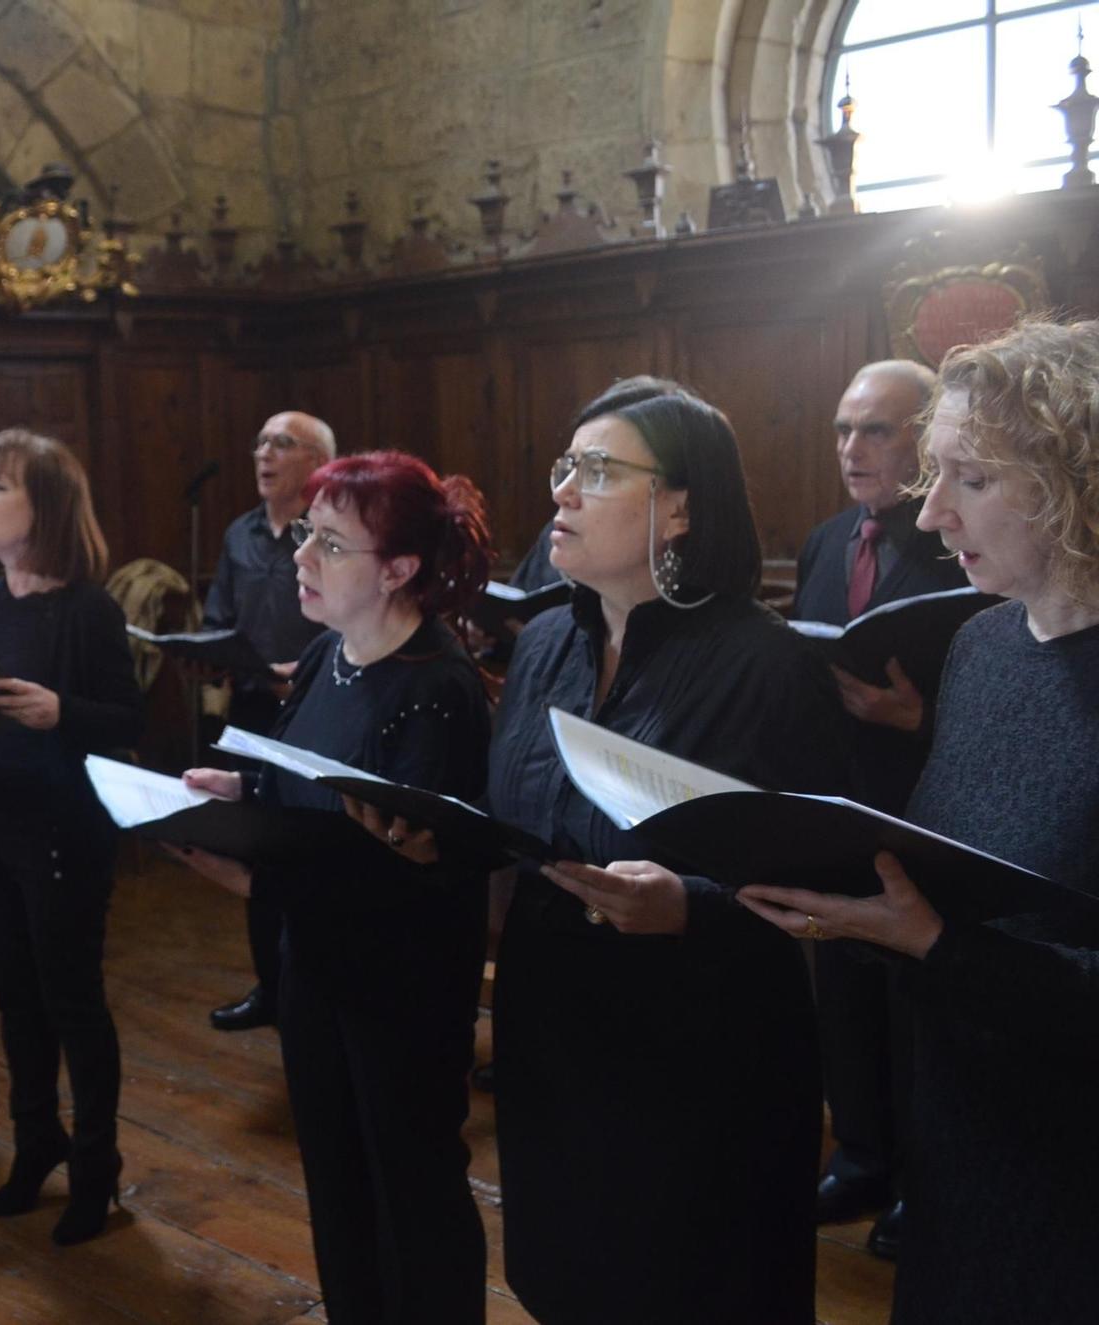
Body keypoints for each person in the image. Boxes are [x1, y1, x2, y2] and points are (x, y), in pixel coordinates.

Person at [444, 379, 851, 1323]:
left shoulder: (770, 665)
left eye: (597, 471)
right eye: (564, 468)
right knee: (569, 1279)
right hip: (556, 1031)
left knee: (688, 1286)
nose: (563, 494)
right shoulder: (545, 640)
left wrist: (692, 904)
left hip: (703, 1054)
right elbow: (518, 810)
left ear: (680, 506)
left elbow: (837, 878)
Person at [738, 318, 1099, 1325]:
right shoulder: (981, 645)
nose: (932, 512)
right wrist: (853, 905)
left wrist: (934, 945)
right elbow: (960, 870)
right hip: (955, 1124)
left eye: (969, 479)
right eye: (930, 473)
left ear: (1079, 477)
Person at [170, 451, 497, 1323]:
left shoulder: (436, 691)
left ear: (399, 570)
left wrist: (257, 877)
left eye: (331, 544)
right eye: (307, 535)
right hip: (314, 963)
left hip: (400, 987)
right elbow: (307, 787)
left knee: (411, 1192)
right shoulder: (325, 658)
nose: (302, 559)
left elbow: (415, 876)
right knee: (337, 1179)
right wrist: (238, 795)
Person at [793, 360, 966, 1256]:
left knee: (913, 1007)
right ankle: (860, 1153)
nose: (851, 449)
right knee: (846, 993)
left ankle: (918, 1180)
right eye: (842, 429)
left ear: (926, 437)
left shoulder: (962, 542)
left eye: (877, 430)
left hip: (927, 808)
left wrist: (918, 717)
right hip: (837, 800)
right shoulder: (827, 540)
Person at [0, 428, 143, 1245]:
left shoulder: (89, 610)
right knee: (16, 998)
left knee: (71, 1002)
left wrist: (63, 712)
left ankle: (96, 1165)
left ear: (48, 507)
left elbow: (133, 723)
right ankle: (37, 1143)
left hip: (63, 828)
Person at [200, 410, 333, 1033]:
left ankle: (311, 983)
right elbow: (219, 615)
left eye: (281, 443)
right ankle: (270, 988)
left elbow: (348, 620)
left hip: (317, 706)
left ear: (317, 460)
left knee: (304, 850)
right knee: (256, 851)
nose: (264, 453)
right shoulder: (238, 533)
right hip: (253, 708)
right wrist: (210, 654)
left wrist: (300, 670)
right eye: (259, 442)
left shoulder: (329, 531)